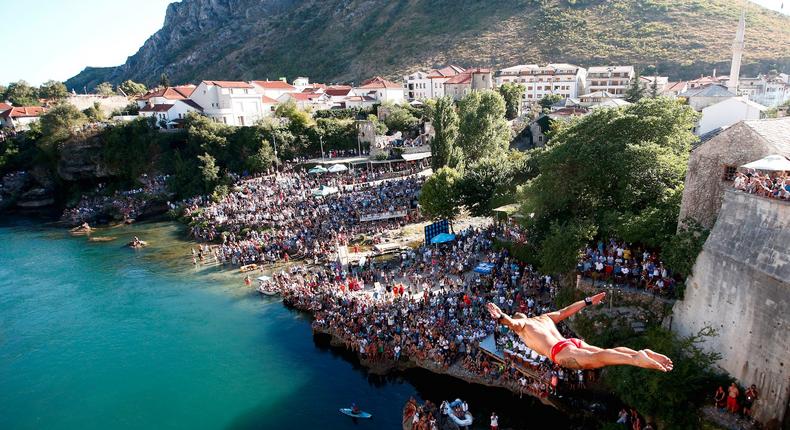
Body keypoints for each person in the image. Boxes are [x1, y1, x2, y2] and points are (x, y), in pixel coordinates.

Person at [485, 293, 673, 371]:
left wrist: (501, 316)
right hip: (570, 343)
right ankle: (638, 354)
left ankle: (636, 359)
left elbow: (513, 324)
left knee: (599, 359)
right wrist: (588, 301)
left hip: (560, 352)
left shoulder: (523, 326)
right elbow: (566, 311)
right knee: (600, 353)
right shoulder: (543, 317)